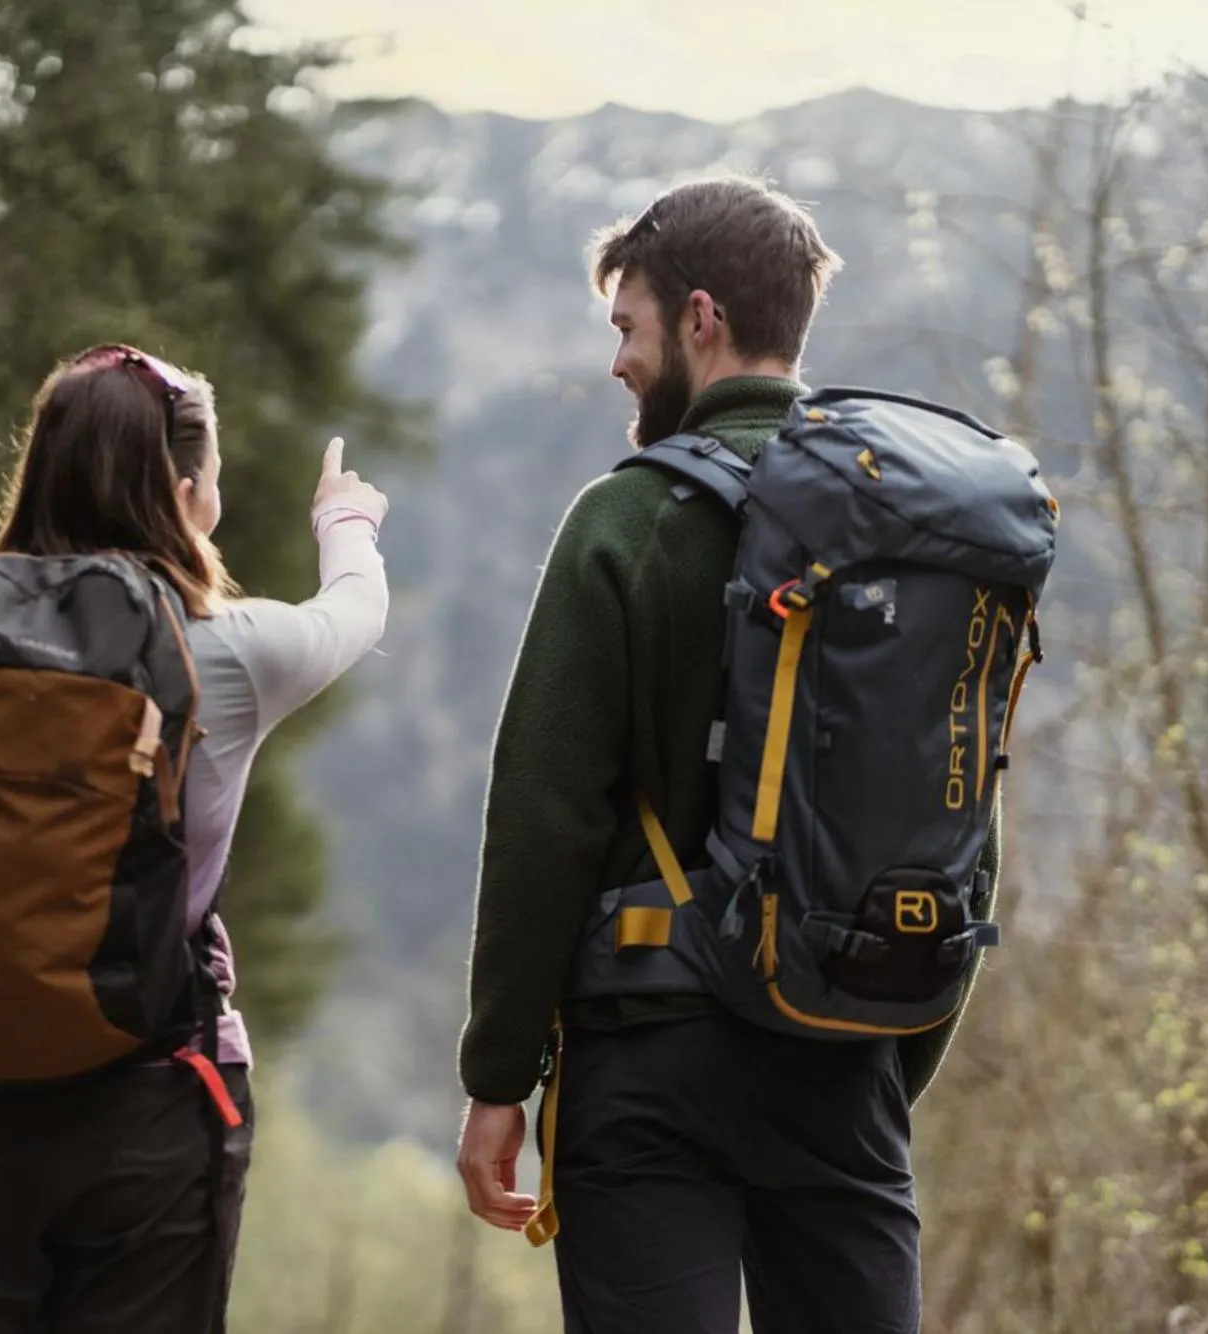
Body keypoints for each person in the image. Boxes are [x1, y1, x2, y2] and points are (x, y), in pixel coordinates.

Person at [456, 177, 994, 1333]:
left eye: (627, 327)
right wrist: (878, 1055)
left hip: (650, 1061)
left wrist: (498, 1076)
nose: (617, 363)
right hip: (842, 1053)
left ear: (700, 319)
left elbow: (544, 809)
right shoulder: (908, 537)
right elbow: (957, 819)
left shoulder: (628, 518)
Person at [0, 342, 389, 1332]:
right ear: (183, 492)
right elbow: (355, 611)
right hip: (153, 1111)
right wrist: (344, 521)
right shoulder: (229, 654)